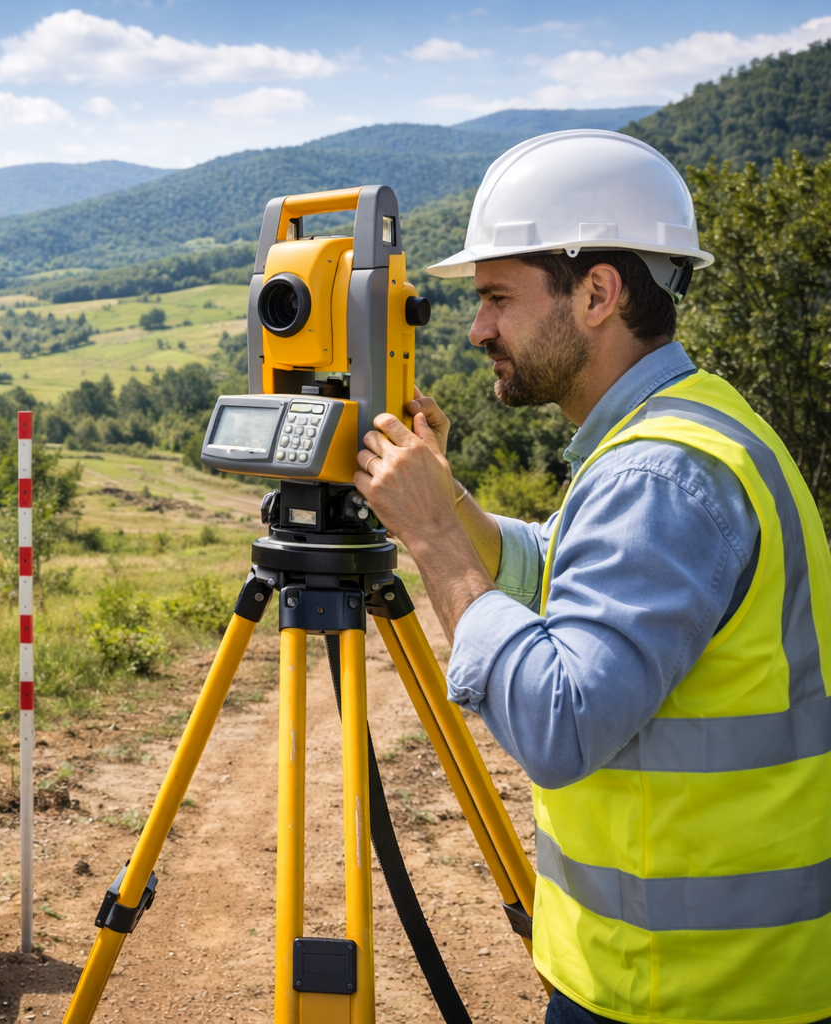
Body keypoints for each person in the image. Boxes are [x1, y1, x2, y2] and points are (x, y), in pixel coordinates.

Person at [353, 130, 831, 1024]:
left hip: (687, 989)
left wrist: (435, 543)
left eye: (498, 296)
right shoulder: (691, 426)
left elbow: (562, 721)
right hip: (706, 973)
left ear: (598, 292)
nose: (477, 327)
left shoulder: (656, 476)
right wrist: (449, 500)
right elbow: (576, 575)